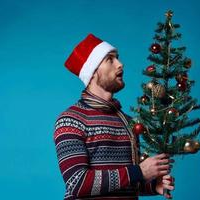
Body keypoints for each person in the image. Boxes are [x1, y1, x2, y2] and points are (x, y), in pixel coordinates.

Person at [54, 33, 175, 200]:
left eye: (117, 58)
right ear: (93, 72)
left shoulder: (128, 122)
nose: (120, 64)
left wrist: (154, 186)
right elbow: (77, 183)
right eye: (110, 60)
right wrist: (139, 171)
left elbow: (128, 182)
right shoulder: (71, 120)